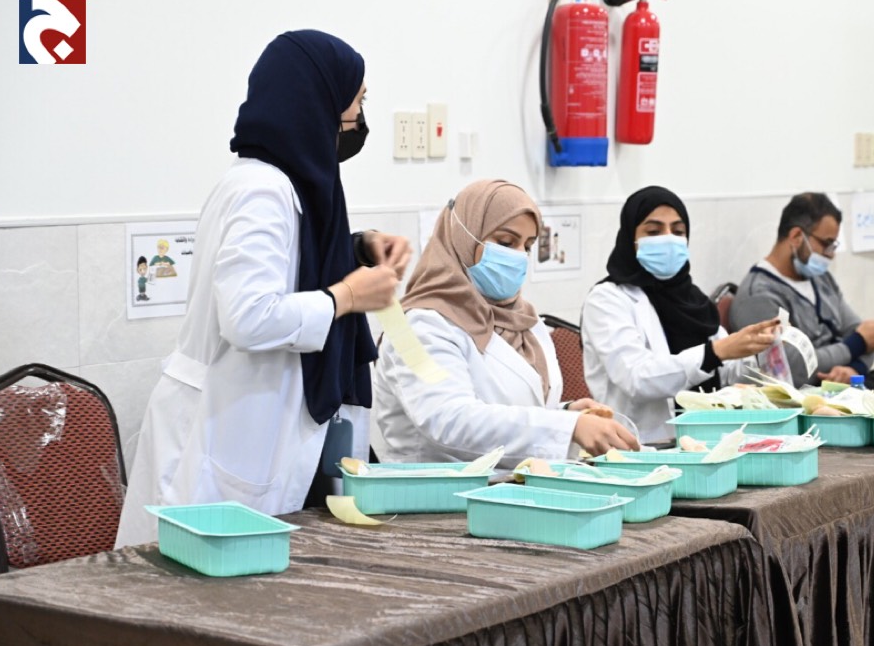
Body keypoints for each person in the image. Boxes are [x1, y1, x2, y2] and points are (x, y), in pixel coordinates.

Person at [116, 30, 411, 547]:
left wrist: (357, 247)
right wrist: (346, 297)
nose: (359, 118)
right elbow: (248, 315)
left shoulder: (284, 183)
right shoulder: (262, 190)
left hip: (248, 427)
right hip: (225, 431)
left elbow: (290, 263)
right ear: (318, 99)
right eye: (357, 101)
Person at [372, 179, 638, 468]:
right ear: (463, 237)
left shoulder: (523, 320)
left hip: (513, 484)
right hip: (435, 491)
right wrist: (567, 427)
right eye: (506, 242)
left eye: (528, 246)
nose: (518, 255)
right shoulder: (412, 329)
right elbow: (448, 419)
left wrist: (566, 414)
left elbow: (512, 408)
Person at [579, 186, 779, 446]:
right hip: (642, 445)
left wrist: (760, 350)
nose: (668, 239)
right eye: (653, 232)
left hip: (710, 440)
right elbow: (637, 379)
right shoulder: (607, 299)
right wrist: (715, 353)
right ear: (630, 237)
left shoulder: (692, 299)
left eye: (678, 231)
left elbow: (725, 374)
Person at [728, 192, 874, 387]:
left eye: (833, 245)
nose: (830, 255)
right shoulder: (758, 296)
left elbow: (867, 335)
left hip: (843, 388)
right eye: (826, 244)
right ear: (796, 236)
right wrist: (856, 345)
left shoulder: (821, 279)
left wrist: (854, 369)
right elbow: (790, 367)